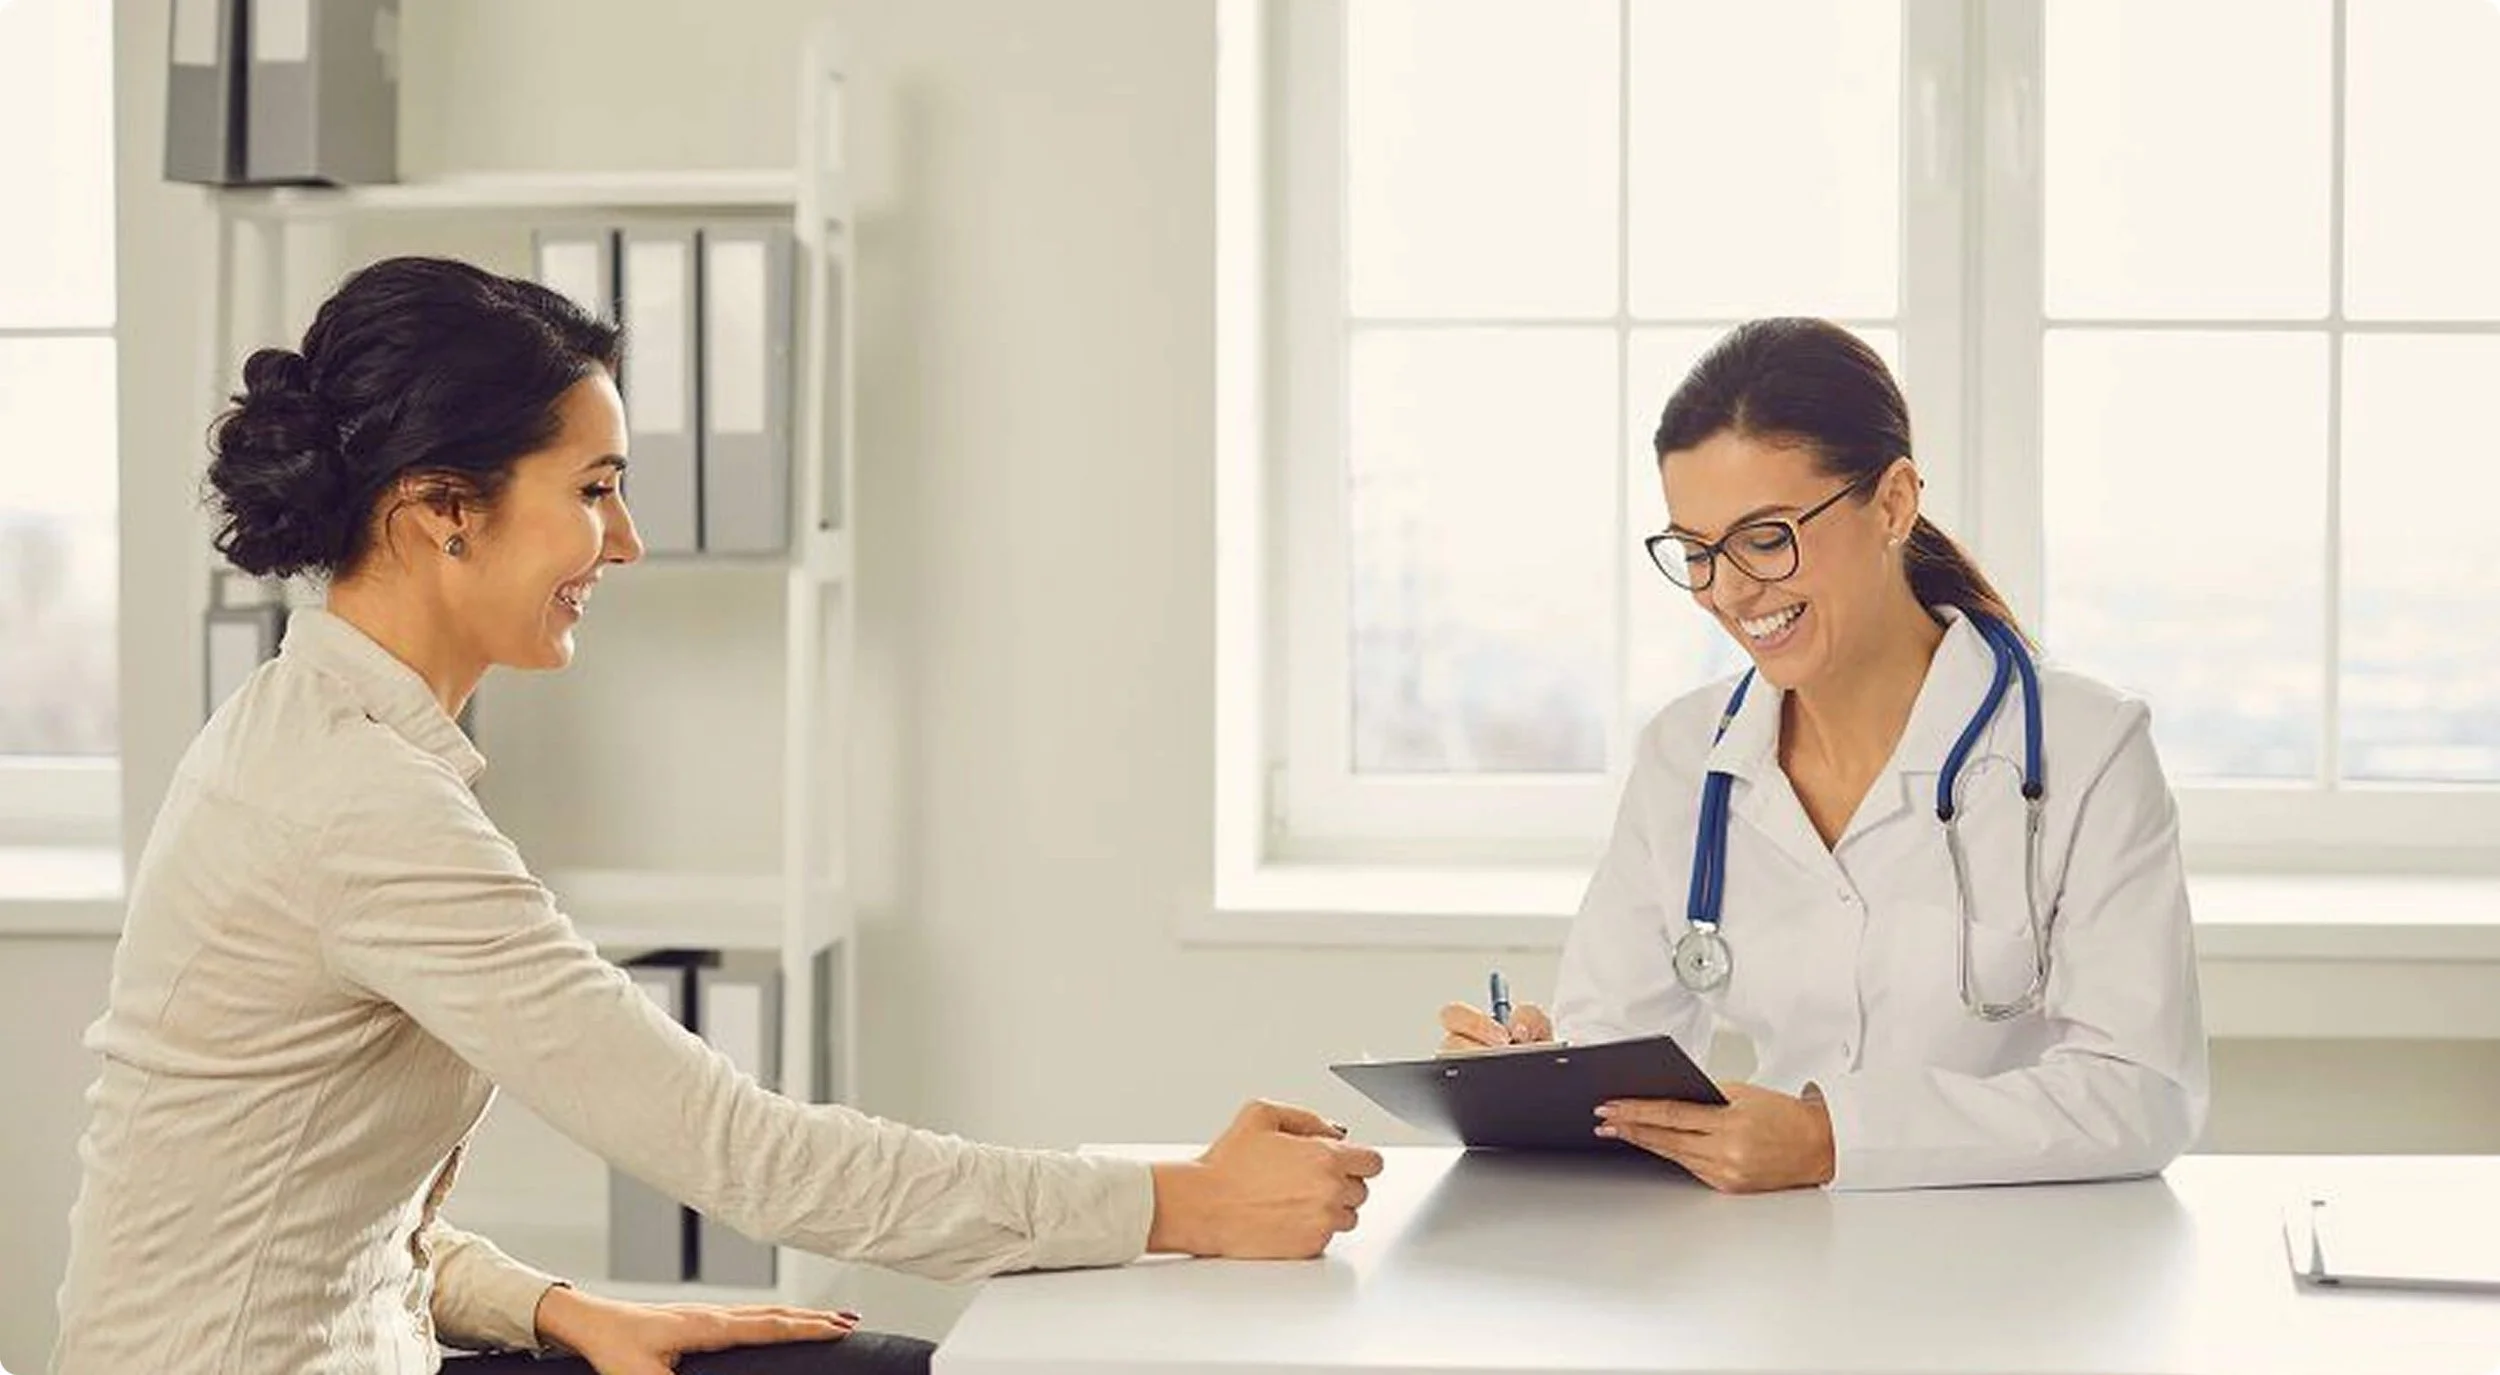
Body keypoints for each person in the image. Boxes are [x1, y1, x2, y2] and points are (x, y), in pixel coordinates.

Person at [52, 257, 1382, 1375]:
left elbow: (284, 1193)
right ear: (441, 510)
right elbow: (743, 1153)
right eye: (591, 487)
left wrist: (550, 1303)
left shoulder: (319, 740)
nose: (624, 539)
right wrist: (1177, 1203)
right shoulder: (350, 801)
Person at [1438, 318, 2208, 1194]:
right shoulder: (1687, 756)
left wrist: (1830, 1139)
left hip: (2021, 1269)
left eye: (1766, 538)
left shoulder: (2086, 746)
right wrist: (1544, 1075)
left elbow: (2143, 1092)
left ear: (1893, 502)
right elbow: (1621, 1057)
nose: (1728, 590)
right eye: (1697, 552)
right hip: (1773, 1269)